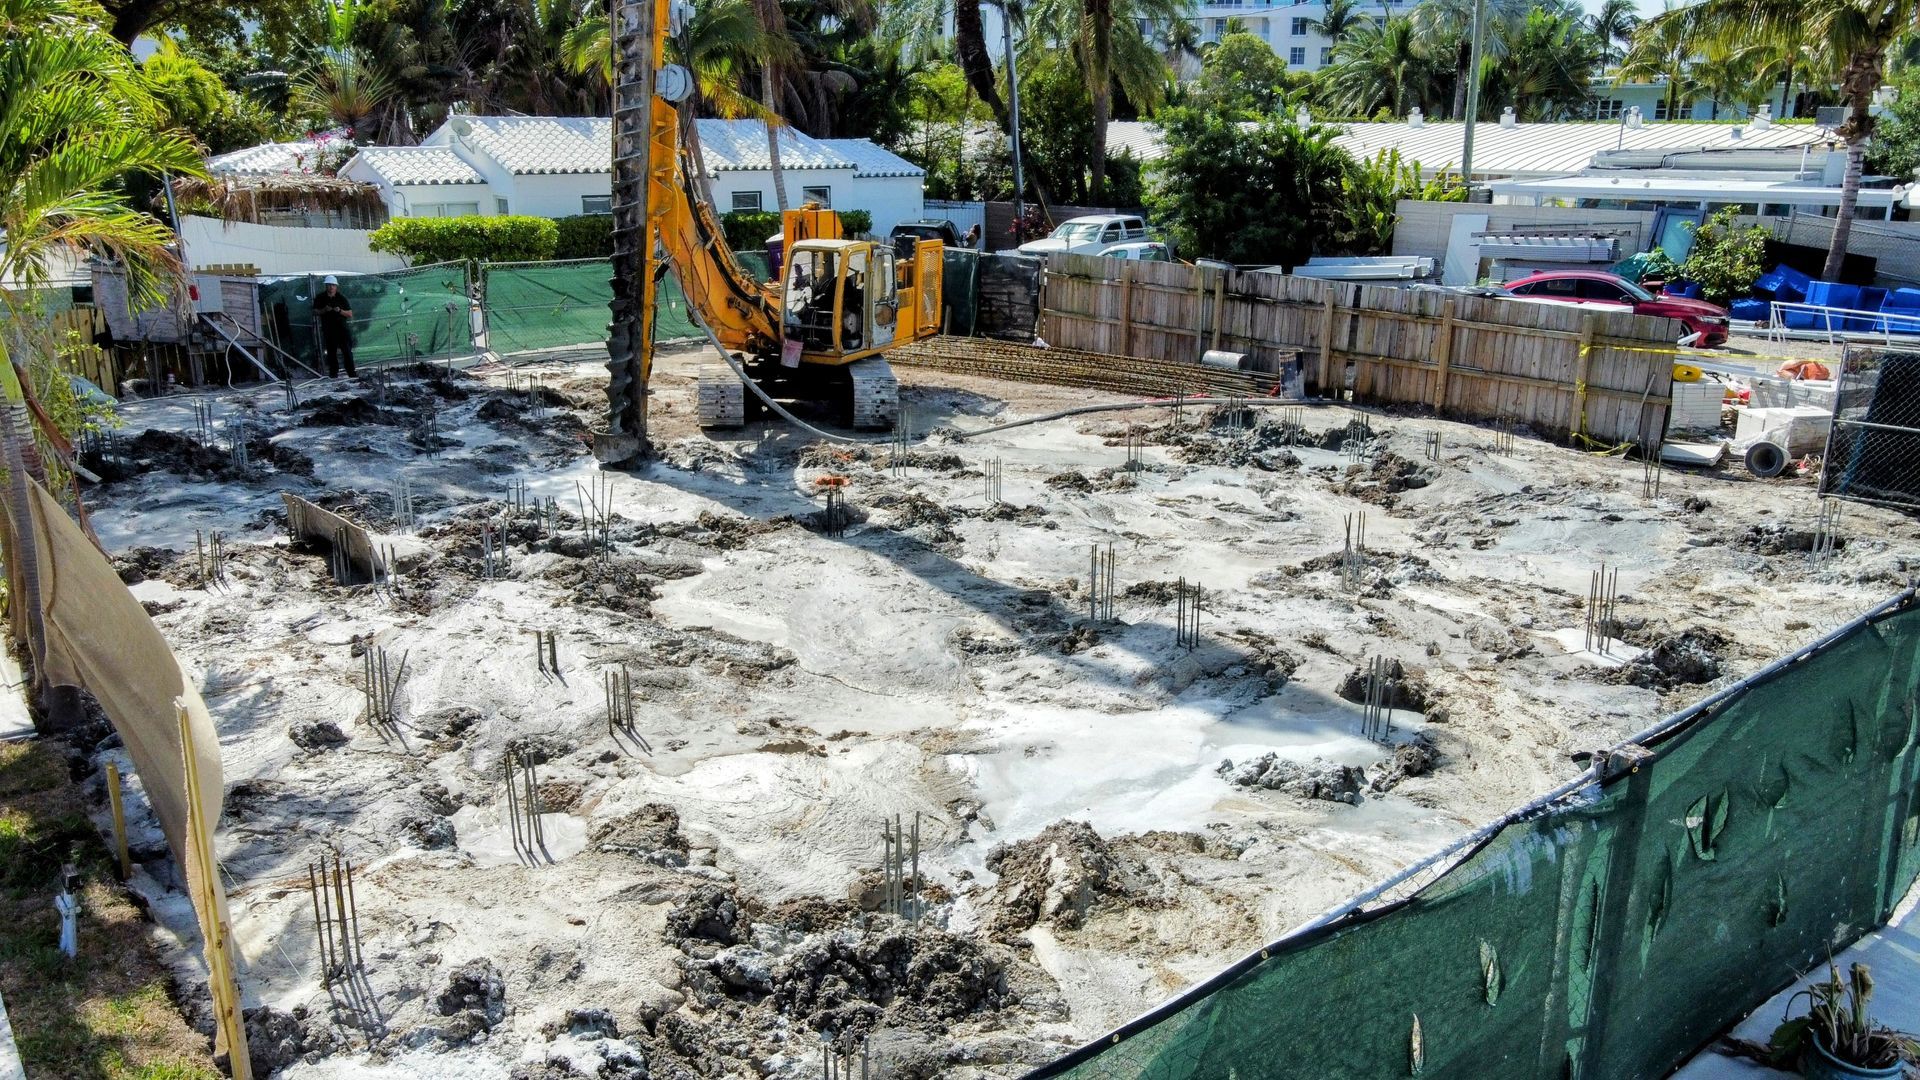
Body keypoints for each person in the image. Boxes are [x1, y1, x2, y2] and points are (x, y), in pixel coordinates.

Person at [312, 275, 357, 377]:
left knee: (347, 351)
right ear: (326, 286)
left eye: (333, 285)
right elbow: (314, 311)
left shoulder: (342, 298)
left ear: (336, 286)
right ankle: (333, 373)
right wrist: (324, 310)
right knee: (331, 352)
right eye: (329, 285)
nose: (331, 287)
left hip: (342, 330)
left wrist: (340, 311)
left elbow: (349, 314)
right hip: (329, 329)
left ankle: (351, 372)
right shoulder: (320, 298)